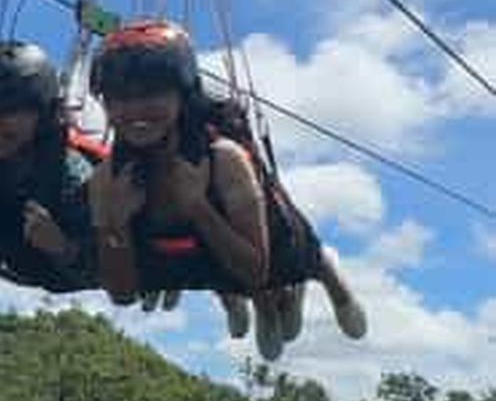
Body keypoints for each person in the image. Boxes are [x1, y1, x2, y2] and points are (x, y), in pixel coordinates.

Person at [88, 20, 366, 359]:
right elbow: (122, 294)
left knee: (296, 262)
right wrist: (114, 226)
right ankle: (259, 302)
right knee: (260, 313)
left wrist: (198, 208)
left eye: (152, 94)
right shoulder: (109, 180)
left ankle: (330, 277)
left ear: (182, 95)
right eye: (120, 98)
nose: (135, 110)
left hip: (268, 256)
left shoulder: (222, 159)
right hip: (207, 265)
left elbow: (255, 270)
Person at [0, 41, 97, 294]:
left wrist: (61, 247)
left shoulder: (74, 174)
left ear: (44, 113)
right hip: (27, 275)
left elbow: (110, 274)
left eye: (6, 112)